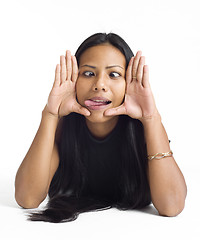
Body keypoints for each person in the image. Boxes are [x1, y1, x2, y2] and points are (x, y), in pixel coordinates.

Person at [15, 33, 187, 223]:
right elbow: (27, 198)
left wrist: (151, 118)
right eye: (88, 73)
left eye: (114, 74)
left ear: (128, 83)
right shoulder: (62, 128)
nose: (99, 85)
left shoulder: (146, 130)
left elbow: (172, 206)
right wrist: (50, 114)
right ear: (74, 80)